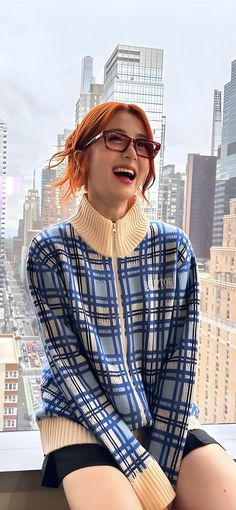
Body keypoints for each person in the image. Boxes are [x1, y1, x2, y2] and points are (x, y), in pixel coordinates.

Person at [26, 102, 236, 510]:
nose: (131, 153)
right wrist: (142, 470)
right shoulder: (51, 251)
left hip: (165, 415)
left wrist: (160, 455)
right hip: (81, 421)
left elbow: (182, 358)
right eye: (115, 139)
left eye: (143, 146)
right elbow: (71, 371)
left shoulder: (173, 248)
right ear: (83, 156)